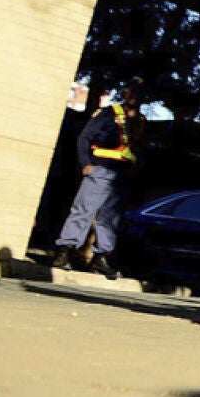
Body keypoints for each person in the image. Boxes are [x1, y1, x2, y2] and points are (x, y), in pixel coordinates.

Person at [48, 78, 146, 279]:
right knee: (83, 210)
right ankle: (64, 251)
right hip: (101, 169)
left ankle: (101, 258)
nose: (134, 95)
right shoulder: (110, 113)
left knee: (109, 219)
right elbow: (85, 137)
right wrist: (86, 164)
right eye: (131, 90)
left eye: (138, 92)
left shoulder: (141, 121)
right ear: (125, 93)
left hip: (121, 175)